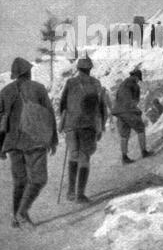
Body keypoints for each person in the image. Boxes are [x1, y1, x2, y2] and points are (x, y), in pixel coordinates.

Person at [0, 57, 58, 228]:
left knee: (20, 181)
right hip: (35, 140)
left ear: (15, 75)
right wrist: (53, 139)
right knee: (39, 179)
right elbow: (49, 114)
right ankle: (22, 212)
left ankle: (15, 217)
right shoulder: (38, 88)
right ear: (29, 72)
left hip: (13, 143)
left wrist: (1, 146)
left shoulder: (5, 91)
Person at [60, 56, 107, 204]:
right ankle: (80, 195)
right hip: (88, 126)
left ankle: (70, 192)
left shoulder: (70, 82)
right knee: (84, 158)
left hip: (72, 126)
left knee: (73, 156)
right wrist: (101, 126)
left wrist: (64, 122)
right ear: (90, 69)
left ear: (78, 69)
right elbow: (102, 108)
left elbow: (62, 104)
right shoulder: (96, 84)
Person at [112, 68, 151, 164]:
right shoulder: (135, 85)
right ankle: (144, 152)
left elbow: (117, 99)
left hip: (118, 112)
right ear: (136, 77)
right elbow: (135, 102)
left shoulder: (122, 85)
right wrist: (137, 112)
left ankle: (124, 158)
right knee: (141, 128)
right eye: (138, 79)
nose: (138, 80)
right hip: (127, 110)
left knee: (124, 135)